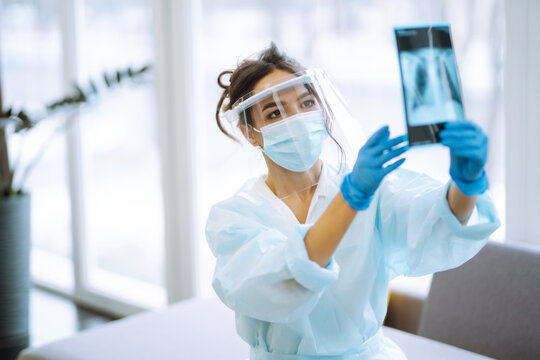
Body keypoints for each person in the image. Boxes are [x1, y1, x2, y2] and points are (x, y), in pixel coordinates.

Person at [206, 43, 500, 359]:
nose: (297, 119)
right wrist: (351, 197)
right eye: (275, 112)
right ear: (251, 133)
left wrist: (467, 184)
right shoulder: (235, 218)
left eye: (306, 103)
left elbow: (433, 224)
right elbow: (279, 282)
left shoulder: (371, 186)